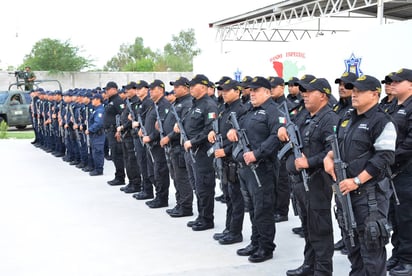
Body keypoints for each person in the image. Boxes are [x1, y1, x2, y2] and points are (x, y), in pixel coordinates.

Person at [324, 75, 396, 276]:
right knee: (353, 248)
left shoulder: (382, 121)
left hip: (369, 197)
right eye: (352, 89)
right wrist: (327, 159)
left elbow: (384, 157)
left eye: (359, 91)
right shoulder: (347, 117)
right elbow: (335, 147)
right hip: (345, 194)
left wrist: (357, 181)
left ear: (374, 94)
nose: (353, 94)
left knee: (371, 253)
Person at [280, 78, 339, 275]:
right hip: (301, 183)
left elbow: (333, 151)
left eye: (309, 91)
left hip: (317, 182)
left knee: (320, 229)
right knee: (308, 227)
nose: (304, 94)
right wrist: (283, 128)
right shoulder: (306, 115)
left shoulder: (329, 118)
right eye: (303, 91)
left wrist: (310, 162)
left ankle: (322, 270)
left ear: (323, 95)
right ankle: (309, 265)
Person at [227, 76, 282, 263]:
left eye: (256, 90)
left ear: (267, 92)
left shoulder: (273, 111)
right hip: (246, 169)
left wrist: (257, 154)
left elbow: (276, 137)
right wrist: (232, 132)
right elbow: (239, 129)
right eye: (250, 90)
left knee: (263, 209)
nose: (252, 94)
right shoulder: (249, 110)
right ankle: (255, 241)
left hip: (262, 168)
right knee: (251, 208)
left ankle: (266, 247)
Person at [208, 78, 248, 245]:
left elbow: (241, 138)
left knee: (236, 198)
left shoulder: (241, 110)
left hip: (233, 159)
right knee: (229, 196)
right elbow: (220, 129)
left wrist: (226, 150)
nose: (223, 93)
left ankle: (235, 232)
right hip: (224, 160)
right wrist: (212, 132)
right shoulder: (223, 108)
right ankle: (228, 228)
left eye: (227, 90)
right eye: (222, 90)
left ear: (237, 91)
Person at [176, 74, 218, 231]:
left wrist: (193, 142)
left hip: (202, 153)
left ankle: (207, 219)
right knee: (197, 186)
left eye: (193, 86)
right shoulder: (194, 104)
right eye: (190, 87)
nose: (191, 89)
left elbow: (210, 128)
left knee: (205, 187)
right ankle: (201, 216)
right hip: (192, 153)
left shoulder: (209, 105)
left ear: (203, 87)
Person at [385, 68, 412, 276]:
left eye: (398, 81)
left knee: (407, 217)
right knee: (394, 215)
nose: (393, 84)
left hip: (407, 171)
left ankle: (408, 259)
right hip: (392, 171)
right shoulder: (391, 106)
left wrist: (389, 157)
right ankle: (397, 254)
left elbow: (410, 143)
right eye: (392, 81)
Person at [331, 71, 357, 256]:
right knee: (340, 206)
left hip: (355, 169)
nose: (342, 88)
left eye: (347, 85)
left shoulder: (357, 110)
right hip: (338, 165)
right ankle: (345, 237)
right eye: (340, 84)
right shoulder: (336, 108)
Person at [161, 76, 194, 217]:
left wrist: (168, 136)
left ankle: (186, 207)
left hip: (179, 145)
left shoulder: (188, 103)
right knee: (176, 177)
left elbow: (181, 127)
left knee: (182, 178)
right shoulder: (177, 102)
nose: (174, 89)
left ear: (186, 88)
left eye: (177, 86)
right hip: (172, 147)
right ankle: (180, 203)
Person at [140, 79, 171, 208]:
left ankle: (162, 198)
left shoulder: (164, 105)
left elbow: (162, 127)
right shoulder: (154, 104)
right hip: (151, 144)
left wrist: (151, 137)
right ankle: (158, 196)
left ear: (161, 90)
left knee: (161, 172)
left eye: (153, 89)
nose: (150, 91)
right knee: (153, 172)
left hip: (158, 145)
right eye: (150, 89)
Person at [268, 76, 290, 224]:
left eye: (273, 87)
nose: (271, 90)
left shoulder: (287, 106)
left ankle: (282, 211)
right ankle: (275, 208)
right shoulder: (271, 106)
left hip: (284, 149)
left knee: (282, 182)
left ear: (282, 88)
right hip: (273, 150)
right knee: (274, 181)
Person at [117, 82, 143, 193]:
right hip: (126, 134)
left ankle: (136, 183)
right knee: (127, 160)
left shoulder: (137, 102)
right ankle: (131, 182)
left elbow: (134, 119)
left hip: (131, 134)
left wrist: (123, 126)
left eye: (128, 89)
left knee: (132, 160)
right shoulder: (128, 101)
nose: (126, 91)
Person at [102, 81, 126, 186]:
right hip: (110, 131)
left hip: (115, 131)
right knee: (115, 155)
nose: (106, 92)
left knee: (117, 155)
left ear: (114, 89)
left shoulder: (118, 101)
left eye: (108, 89)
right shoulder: (110, 101)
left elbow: (122, 116)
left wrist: (119, 130)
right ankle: (118, 175)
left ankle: (120, 178)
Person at [86, 93, 106, 176]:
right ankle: (95, 167)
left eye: (93, 99)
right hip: (95, 135)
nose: (92, 101)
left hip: (98, 134)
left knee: (98, 151)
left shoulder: (100, 110)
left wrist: (90, 129)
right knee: (94, 151)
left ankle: (99, 169)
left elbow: (98, 123)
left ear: (98, 100)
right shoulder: (96, 109)